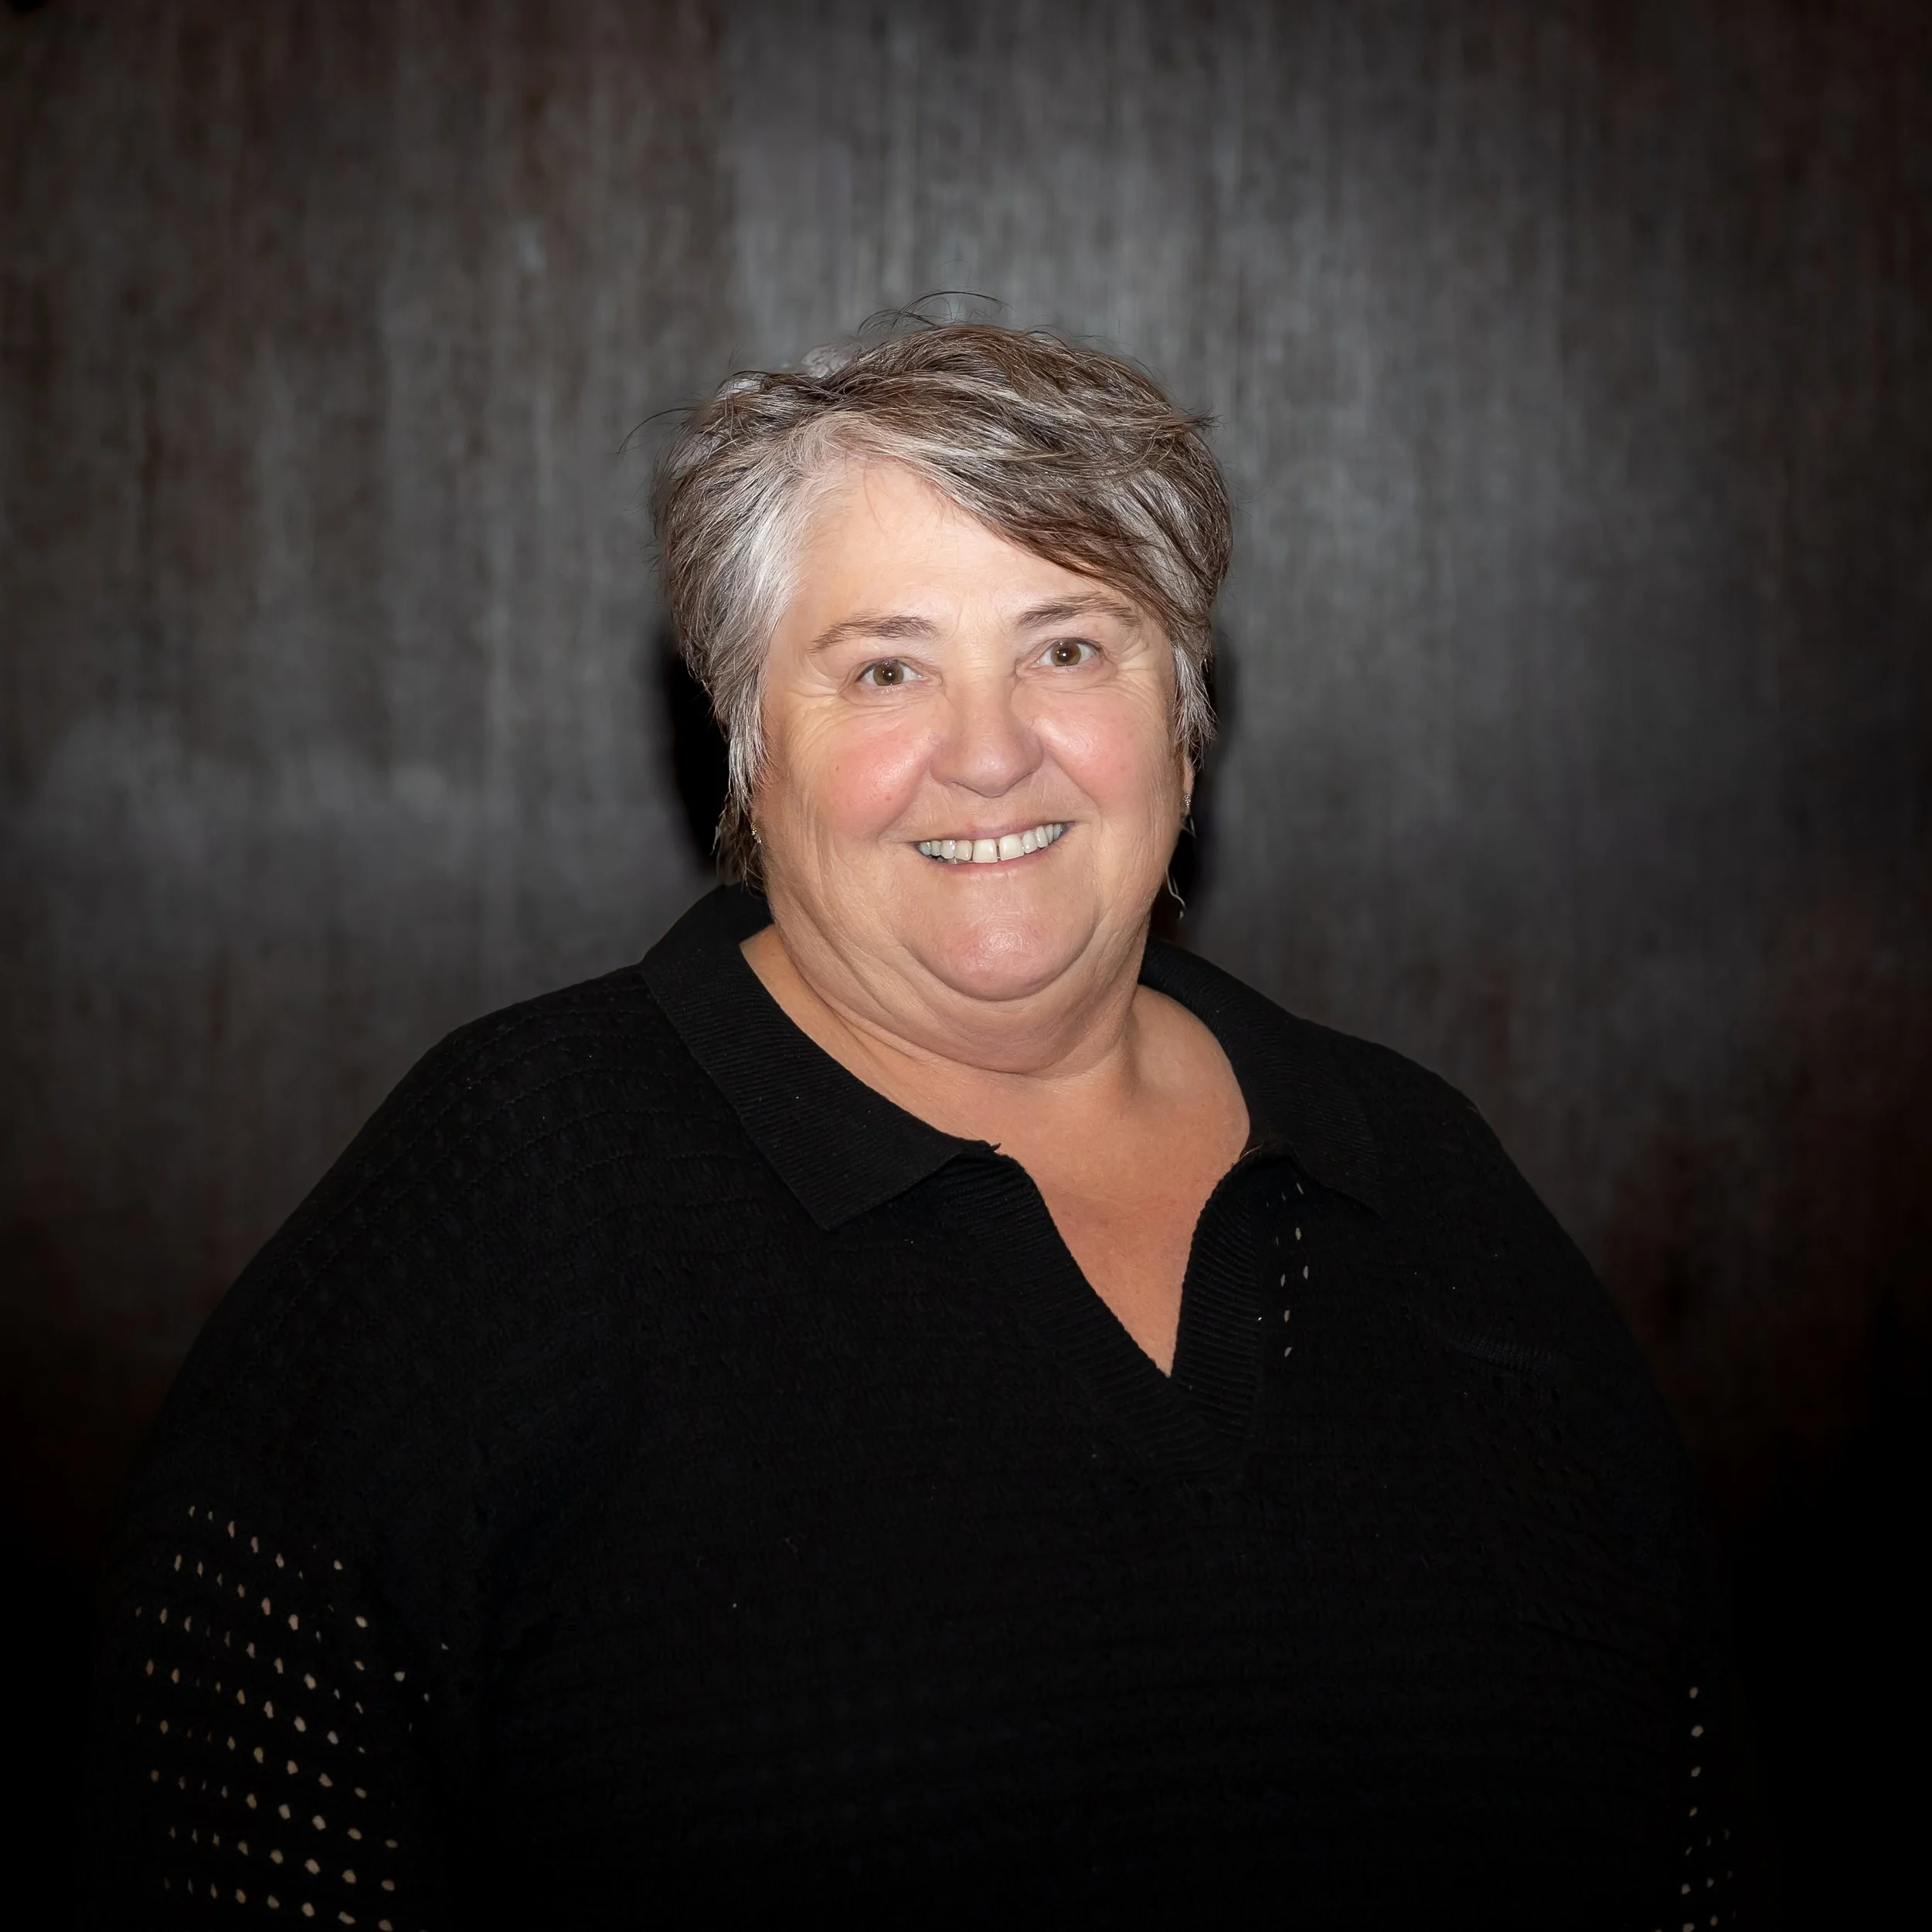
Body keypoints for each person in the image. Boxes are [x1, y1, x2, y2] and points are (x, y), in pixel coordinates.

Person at [87, 321, 1764, 1927]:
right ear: (750, 747)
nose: (986, 752)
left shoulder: (1415, 1161)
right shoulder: (522, 1168)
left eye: (1066, 645)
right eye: (885, 665)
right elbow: (222, 1782)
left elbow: (1698, 1801)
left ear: (1180, 711)